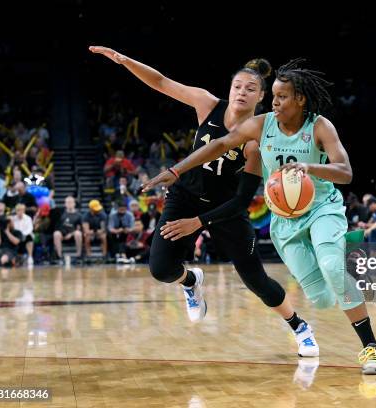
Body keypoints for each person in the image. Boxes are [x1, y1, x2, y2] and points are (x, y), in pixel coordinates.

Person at [142, 59, 376, 374]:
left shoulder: (311, 127)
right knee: (323, 299)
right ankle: (193, 282)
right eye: (273, 95)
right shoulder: (253, 123)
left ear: (299, 99)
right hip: (265, 215)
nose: (274, 101)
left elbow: (344, 173)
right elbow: (217, 142)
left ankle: (362, 345)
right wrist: (175, 170)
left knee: (313, 272)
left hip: (293, 207)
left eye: (280, 96)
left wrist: (309, 168)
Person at [89, 46, 318, 358]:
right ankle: (190, 280)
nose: (241, 92)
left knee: (256, 281)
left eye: (250, 89)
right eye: (237, 86)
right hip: (185, 196)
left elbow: (241, 201)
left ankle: (299, 326)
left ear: (261, 98)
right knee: (160, 268)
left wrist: (198, 223)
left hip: (225, 208)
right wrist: (125, 61)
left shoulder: (258, 139)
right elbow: (160, 82)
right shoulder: (207, 104)